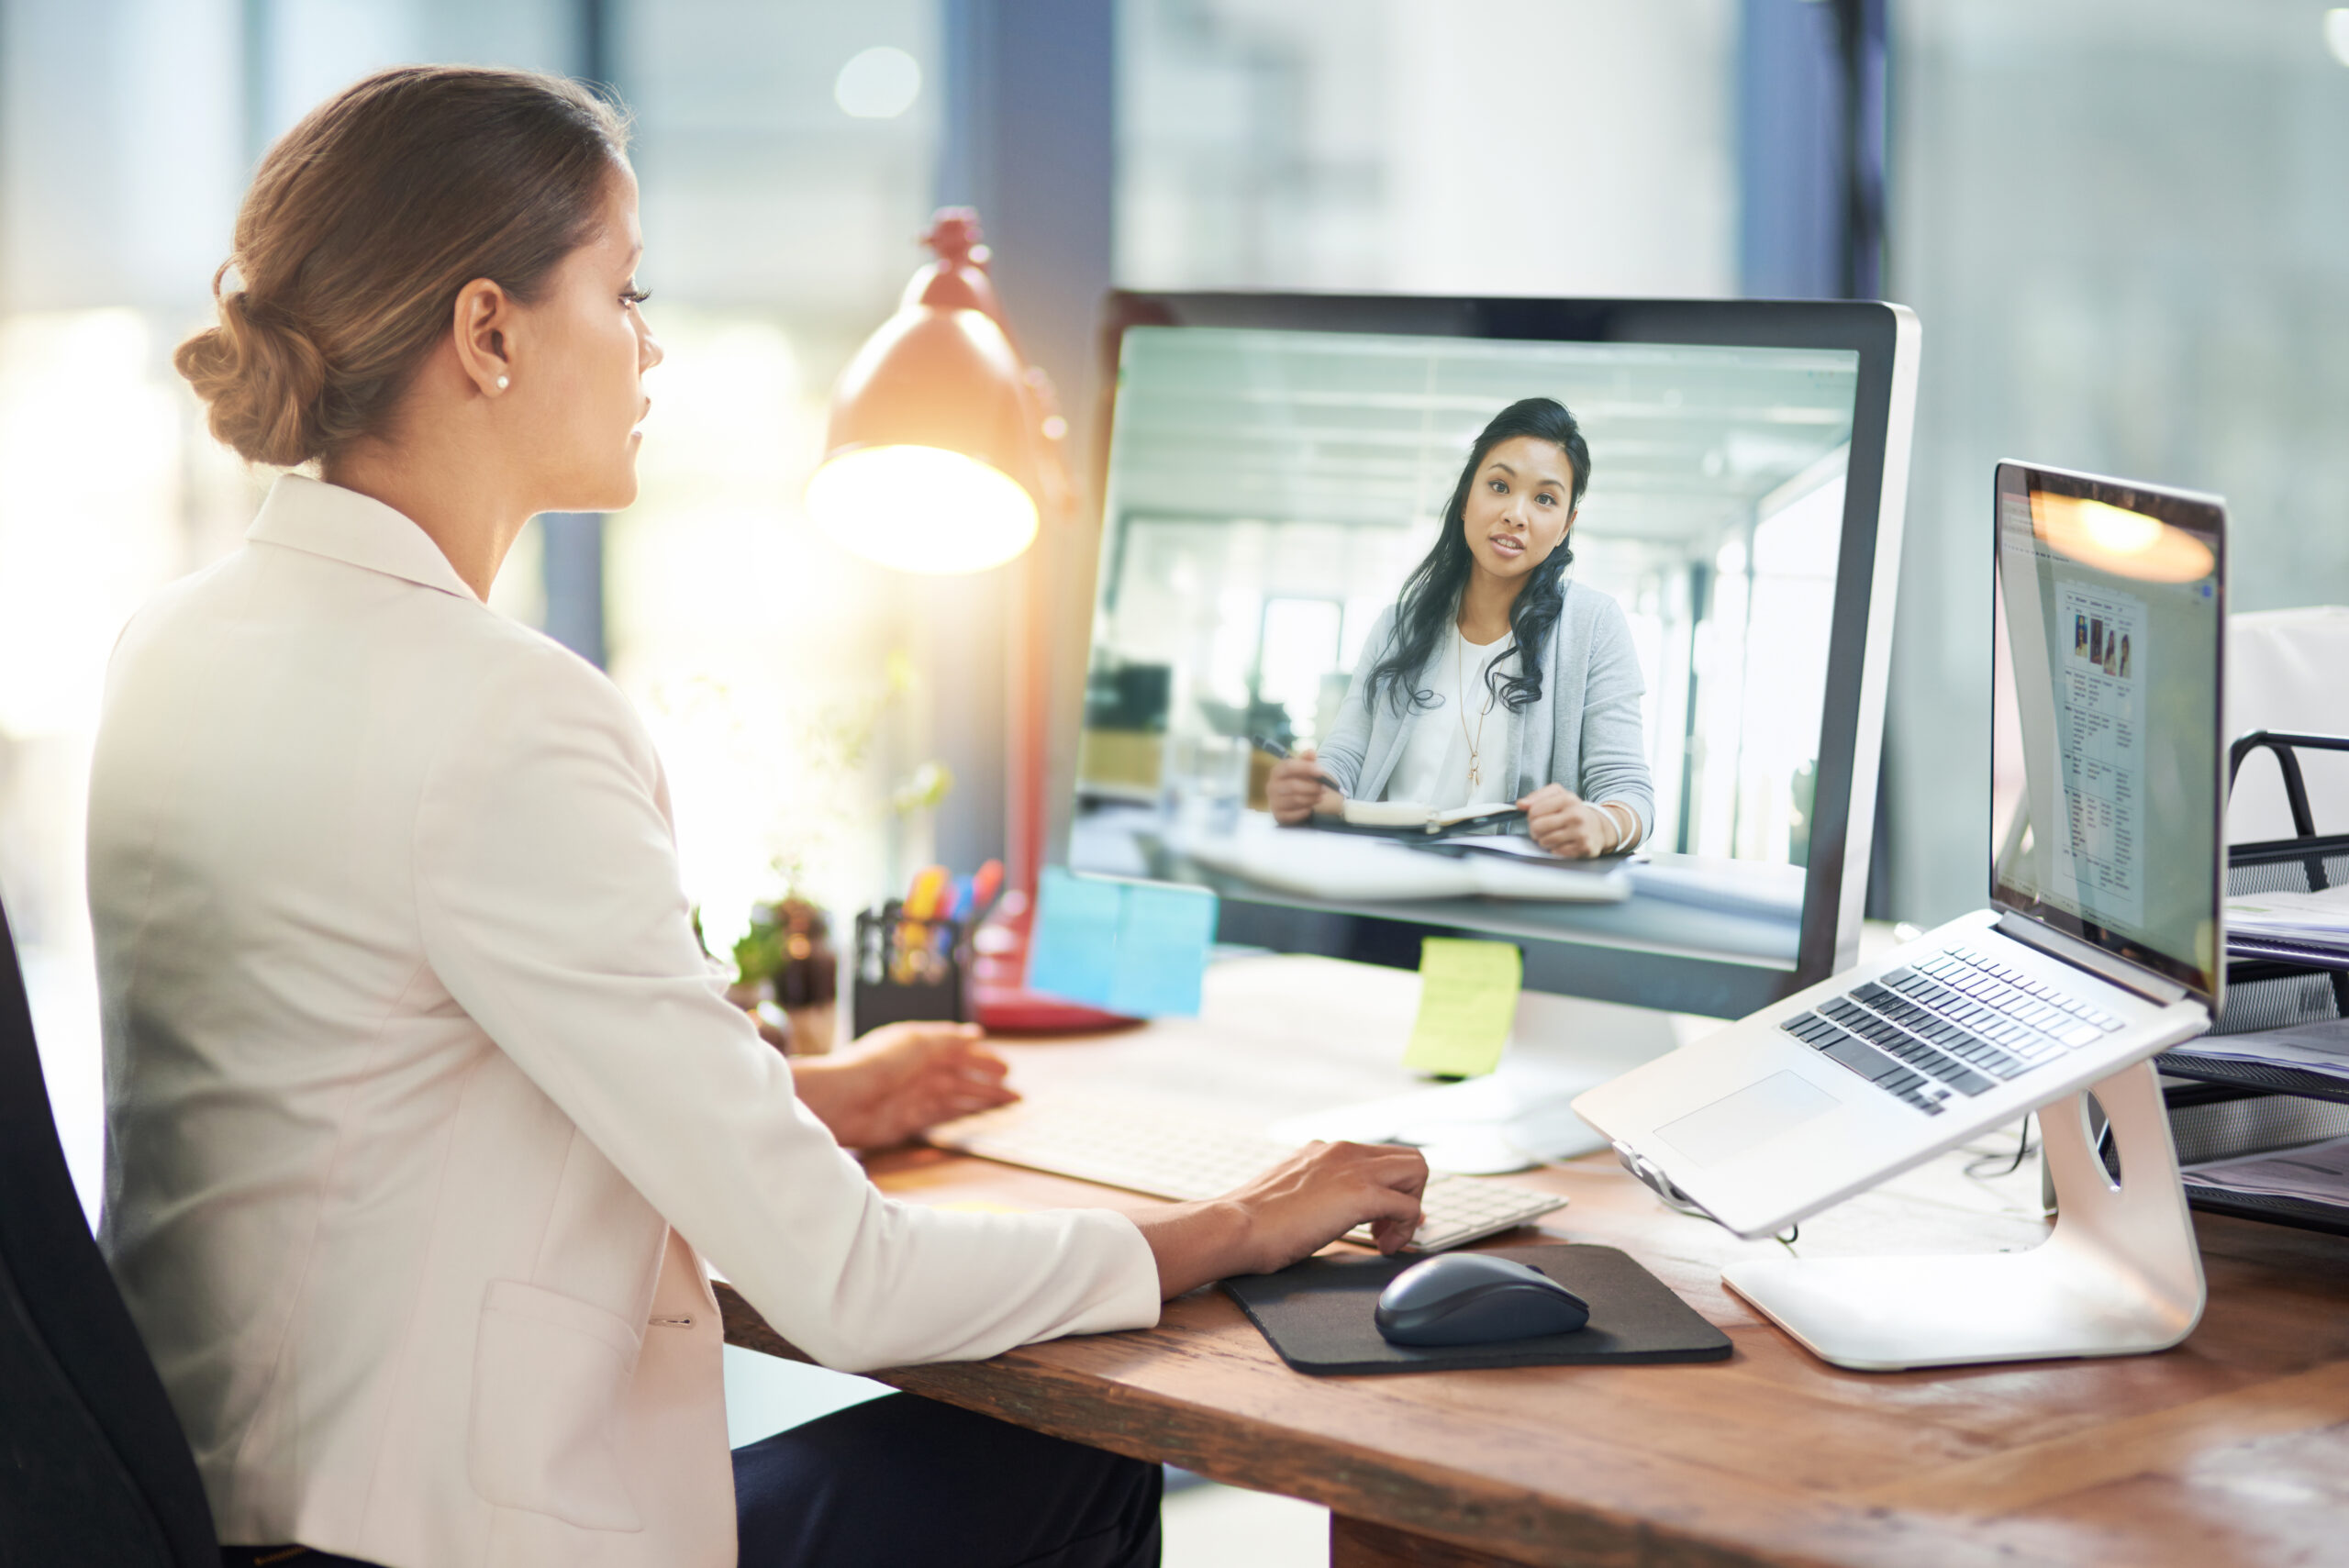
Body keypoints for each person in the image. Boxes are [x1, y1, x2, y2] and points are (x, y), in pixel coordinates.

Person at [89, 67, 1426, 1568]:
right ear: (487, 332)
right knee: (1065, 1454)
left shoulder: (177, 644)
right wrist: (1233, 1223)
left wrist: (802, 1097)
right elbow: (848, 1282)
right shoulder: (501, 715)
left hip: (232, 1506)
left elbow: (378, 1070)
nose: (652, 347)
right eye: (624, 287)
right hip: (445, 1537)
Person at [1265, 397, 1653, 858]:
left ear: (1566, 525)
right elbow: (1346, 758)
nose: (1517, 514)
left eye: (1545, 499)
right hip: (1379, 880)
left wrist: (1599, 823)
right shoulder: (1399, 625)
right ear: (1467, 498)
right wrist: (1309, 789)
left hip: (1508, 898)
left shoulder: (1594, 626)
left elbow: (1631, 796)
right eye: (1499, 486)